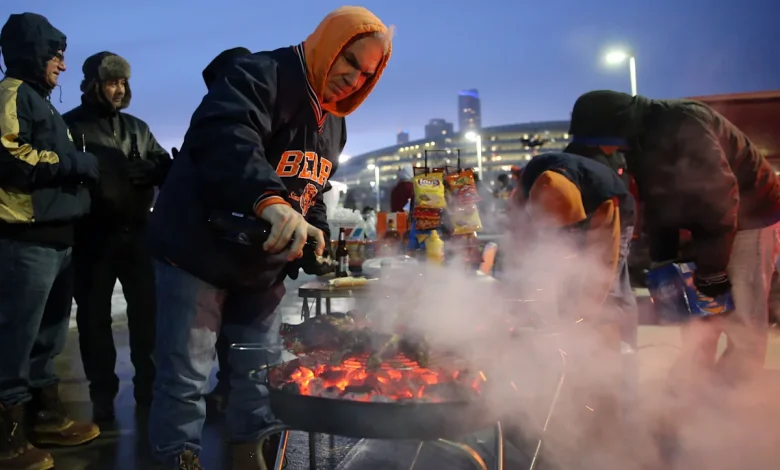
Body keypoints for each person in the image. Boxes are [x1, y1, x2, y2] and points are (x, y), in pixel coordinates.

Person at [145, 6, 392, 470]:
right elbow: (226, 135)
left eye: (367, 74)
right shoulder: (261, 74)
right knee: (186, 377)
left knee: (260, 374)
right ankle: (177, 459)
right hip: (197, 251)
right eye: (350, 61)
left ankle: (250, 454)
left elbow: (310, 188)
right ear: (330, 43)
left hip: (260, 267)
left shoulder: (334, 121)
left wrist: (313, 231)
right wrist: (271, 202)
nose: (354, 79)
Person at [568, 90, 780, 388]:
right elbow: (657, 203)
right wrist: (664, 264)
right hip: (710, 222)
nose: (604, 151)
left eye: (600, 142)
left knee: (743, 316)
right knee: (699, 313)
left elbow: (719, 199)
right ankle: (692, 388)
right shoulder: (638, 141)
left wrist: (712, 271)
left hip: (751, 215)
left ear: (616, 125)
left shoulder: (683, 122)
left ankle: (735, 395)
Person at [0, 12, 101, 470]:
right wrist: (76, 163)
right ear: (34, 53)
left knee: (47, 338)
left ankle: (44, 417)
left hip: (57, 238)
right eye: (56, 55)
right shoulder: (11, 93)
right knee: (12, 339)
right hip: (23, 238)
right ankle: (7, 439)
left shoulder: (41, 101)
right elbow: (11, 156)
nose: (62, 65)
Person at [62, 51, 172, 421]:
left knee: (147, 316)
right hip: (92, 237)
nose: (118, 89)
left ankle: (148, 388)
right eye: (111, 82)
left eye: (123, 82)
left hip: (138, 235)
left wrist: (157, 168)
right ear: (93, 85)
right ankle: (102, 395)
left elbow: (162, 162)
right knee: (94, 320)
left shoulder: (137, 127)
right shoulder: (69, 127)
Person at [517, 151, 636, 468]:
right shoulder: (531, 180)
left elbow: (605, 262)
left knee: (601, 295)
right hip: (562, 209)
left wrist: (587, 314)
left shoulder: (604, 202)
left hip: (612, 218)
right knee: (555, 276)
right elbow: (520, 238)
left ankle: (608, 379)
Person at [199, 46, 252, 413]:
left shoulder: (259, 113)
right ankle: (229, 387)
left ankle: (244, 398)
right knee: (219, 326)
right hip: (214, 242)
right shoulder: (211, 119)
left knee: (245, 326)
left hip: (251, 242)